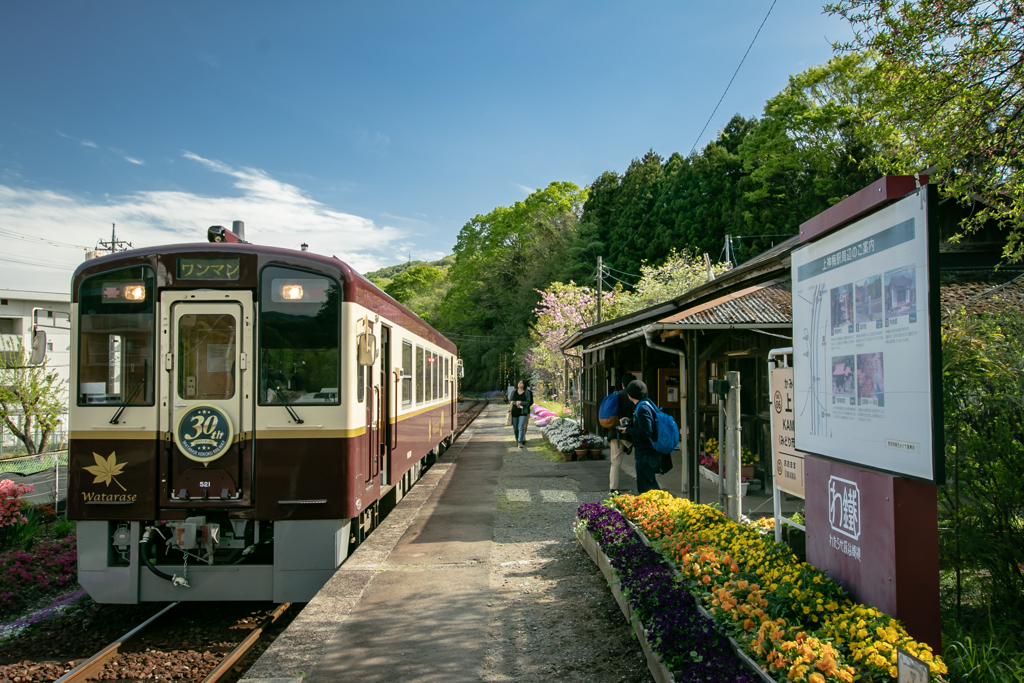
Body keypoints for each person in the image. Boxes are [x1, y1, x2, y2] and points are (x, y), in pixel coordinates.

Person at [619, 379, 661, 495]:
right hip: (649, 451)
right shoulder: (646, 403)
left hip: (646, 452)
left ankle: (654, 511)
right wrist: (631, 421)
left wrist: (627, 429)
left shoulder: (641, 408)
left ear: (630, 394)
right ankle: (663, 508)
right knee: (652, 485)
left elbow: (646, 432)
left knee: (645, 488)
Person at [608, 372, 636, 493]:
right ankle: (643, 488)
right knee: (640, 459)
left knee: (615, 463)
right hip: (630, 433)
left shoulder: (616, 395)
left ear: (622, 384)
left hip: (614, 433)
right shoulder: (635, 396)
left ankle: (613, 489)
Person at [509, 379, 533, 448]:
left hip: (523, 412)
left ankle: (520, 442)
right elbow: (510, 401)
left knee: (521, 427)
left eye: (521, 383)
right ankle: (517, 439)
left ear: (524, 384)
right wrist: (516, 403)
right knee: (515, 428)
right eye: (519, 383)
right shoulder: (514, 392)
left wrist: (521, 402)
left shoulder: (527, 393)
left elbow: (529, 402)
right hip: (514, 411)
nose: (520, 384)